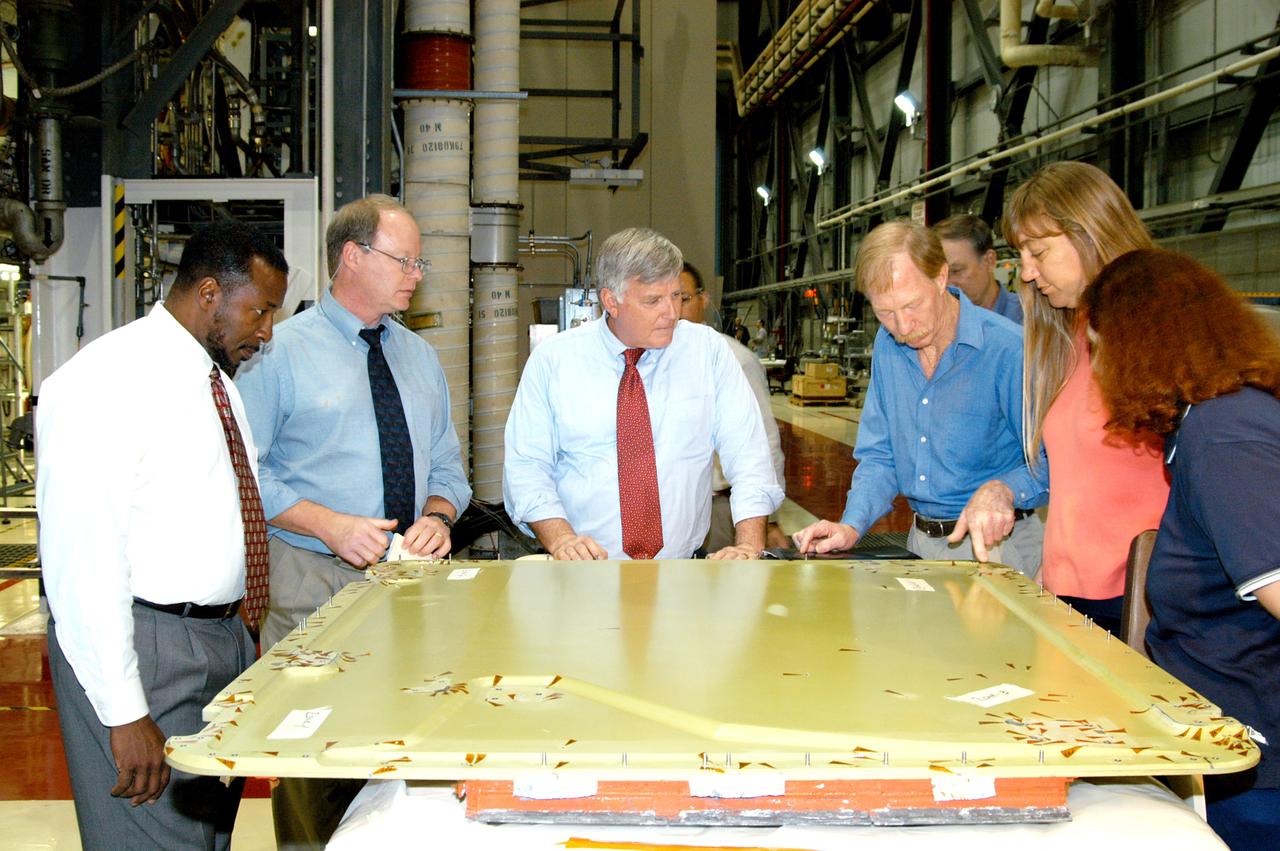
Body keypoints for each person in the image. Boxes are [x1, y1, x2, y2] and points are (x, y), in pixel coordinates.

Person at [37, 221, 288, 850]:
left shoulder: (217, 383)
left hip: (220, 641)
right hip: (148, 651)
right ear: (209, 292)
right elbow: (83, 562)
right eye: (260, 311)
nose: (266, 331)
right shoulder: (106, 381)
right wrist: (124, 711)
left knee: (204, 839)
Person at [235, 194, 471, 848]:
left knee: (403, 760)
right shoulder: (278, 352)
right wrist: (329, 524)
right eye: (405, 259)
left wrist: (437, 515)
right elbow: (244, 471)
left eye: (418, 262)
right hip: (314, 582)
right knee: (315, 762)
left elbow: (450, 464)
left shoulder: (419, 358)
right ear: (352, 256)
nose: (416, 274)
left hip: (411, 593)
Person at [1083, 248, 1280, 850]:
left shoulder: (1225, 436)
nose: (1096, 369)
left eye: (1099, 349)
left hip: (1253, 767)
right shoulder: (1211, 421)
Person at [503, 227, 783, 560]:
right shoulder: (554, 362)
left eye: (676, 296)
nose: (671, 312)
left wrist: (749, 546)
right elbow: (527, 468)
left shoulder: (708, 353)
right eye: (653, 300)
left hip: (681, 572)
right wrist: (562, 539)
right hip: (581, 572)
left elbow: (750, 456)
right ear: (611, 301)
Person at [793, 220, 1046, 577]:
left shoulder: (1008, 350)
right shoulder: (888, 345)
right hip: (921, 545)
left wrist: (1004, 489)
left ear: (941, 277)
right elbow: (881, 455)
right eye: (885, 313)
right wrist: (851, 526)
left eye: (912, 306)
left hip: (998, 549)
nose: (902, 326)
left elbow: (1051, 462)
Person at [1003, 161, 1168, 634]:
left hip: (1138, 599)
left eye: (1039, 252)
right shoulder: (1070, 335)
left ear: (1090, 233)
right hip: (1070, 592)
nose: (1029, 273)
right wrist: (1051, 571)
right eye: (1022, 255)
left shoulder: (1151, 339)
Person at [677, 261, 788, 551]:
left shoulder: (735, 360)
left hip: (722, 512)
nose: (674, 309)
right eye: (666, 298)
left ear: (704, 299)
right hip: (674, 510)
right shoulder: (655, 360)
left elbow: (764, 442)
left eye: (683, 298)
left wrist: (769, 520)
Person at [933, 213, 1022, 324]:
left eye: (956, 271)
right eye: (939, 275)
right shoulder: (937, 324)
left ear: (989, 261)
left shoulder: (1027, 320)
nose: (946, 284)